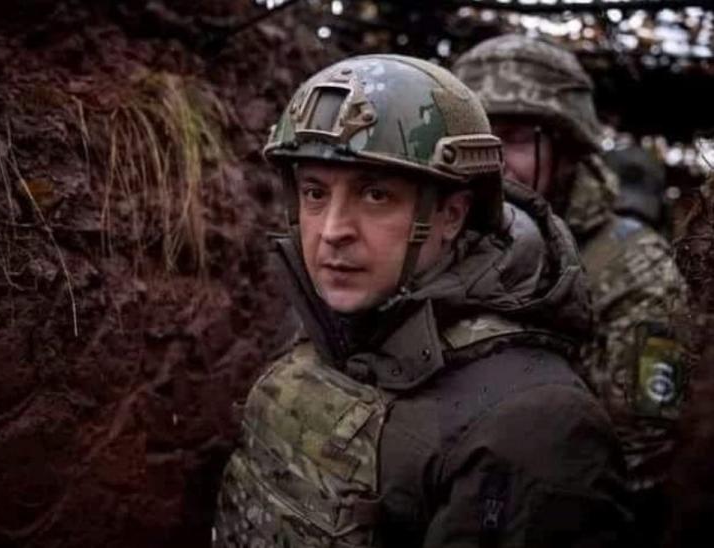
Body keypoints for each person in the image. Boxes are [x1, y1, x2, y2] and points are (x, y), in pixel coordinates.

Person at [213, 53, 629, 547]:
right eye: (314, 193)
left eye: (376, 195)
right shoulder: (327, 322)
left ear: (452, 214)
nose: (332, 231)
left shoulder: (537, 428)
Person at [453, 34, 686, 547]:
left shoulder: (632, 269)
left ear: (567, 150)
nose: (491, 162)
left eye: (514, 139)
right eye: (476, 139)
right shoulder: (443, 242)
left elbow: (643, 451)